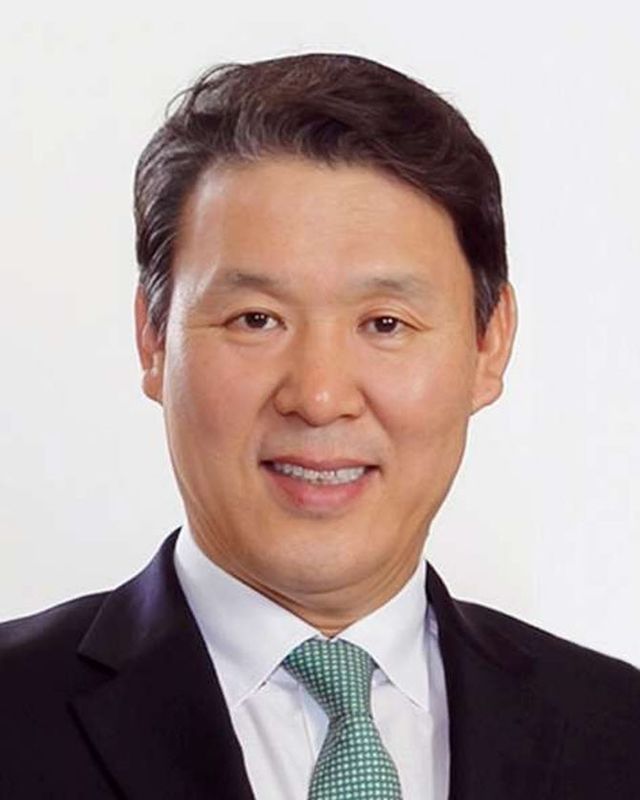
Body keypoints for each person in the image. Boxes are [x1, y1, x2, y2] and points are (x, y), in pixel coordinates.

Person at [1, 53, 638, 799]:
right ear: (153, 338)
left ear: (489, 345)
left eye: (385, 323)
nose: (320, 396)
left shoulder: (618, 734)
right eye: (256, 319)